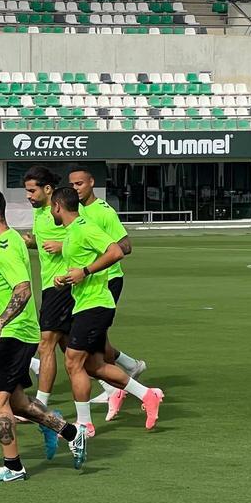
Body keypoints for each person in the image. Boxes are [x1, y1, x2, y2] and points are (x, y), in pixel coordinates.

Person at [0, 188, 87, 480]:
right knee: (18, 401)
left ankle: (13, 466)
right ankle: (71, 432)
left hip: (13, 333)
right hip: (16, 332)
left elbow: (22, 289)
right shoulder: (2, 242)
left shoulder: (6, 246)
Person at [51, 187, 165, 431]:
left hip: (96, 304)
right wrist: (66, 277)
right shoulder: (71, 232)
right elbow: (81, 265)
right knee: (93, 366)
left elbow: (116, 251)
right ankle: (147, 395)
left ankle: (84, 425)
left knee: (73, 362)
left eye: (52, 208)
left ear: (58, 206)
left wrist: (85, 272)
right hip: (85, 303)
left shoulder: (84, 227)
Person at [67, 168, 147, 419]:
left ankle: (114, 384)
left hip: (107, 280)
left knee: (89, 343)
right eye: (72, 185)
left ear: (92, 183)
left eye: (80, 183)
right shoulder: (76, 213)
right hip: (86, 282)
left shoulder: (103, 212)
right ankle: (127, 368)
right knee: (94, 340)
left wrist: (92, 265)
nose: (76, 188)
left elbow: (125, 246)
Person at [21, 166, 71, 411]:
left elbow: (92, 236)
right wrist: (32, 243)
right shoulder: (40, 213)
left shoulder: (60, 211)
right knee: (76, 352)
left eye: (32, 190)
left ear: (48, 189)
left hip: (61, 284)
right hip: (50, 284)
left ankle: (40, 404)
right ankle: (123, 387)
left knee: (46, 343)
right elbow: (45, 245)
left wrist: (64, 245)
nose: (28, 195)